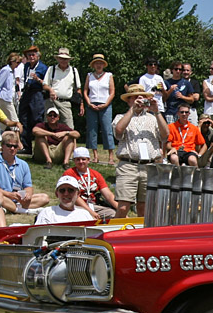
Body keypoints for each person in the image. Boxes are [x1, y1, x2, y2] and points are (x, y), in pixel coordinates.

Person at [113, 84, 167, 218]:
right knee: (124, 206)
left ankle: (142, 236)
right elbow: (118, 132)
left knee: (144, 208)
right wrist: (132, 110)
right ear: (129, 100)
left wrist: (157, 111)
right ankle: (116, 235)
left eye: (142, 97)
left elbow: (165, 135)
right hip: (128, 165)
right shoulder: (121, 116)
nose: (140, 100)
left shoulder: (153, 117)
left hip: (149, 166)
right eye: (136, 97)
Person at [0, 130, 50, 214]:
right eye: (9, 146)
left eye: (15, 146)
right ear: (2, 146)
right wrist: (9, 194)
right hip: (2, 196)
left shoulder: (23, 164)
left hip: (18, 199)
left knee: (45, 198)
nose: (12, 149)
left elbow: (28, 186)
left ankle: (10, 208)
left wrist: (28, 195)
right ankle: (22, 210)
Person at [64, 147, 119, 220]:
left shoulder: (95, 174)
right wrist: (91, 212)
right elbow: (74, 196)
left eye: (83, 159)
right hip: (75, 206)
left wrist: (121, 210)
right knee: (85, 217)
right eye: (78, 159)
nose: (81, 162)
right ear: (74, 161)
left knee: (114, 214)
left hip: (93, 205)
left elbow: (108, 195)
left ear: (88, 160)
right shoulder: (69, 174)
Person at [83, 54, 115, 164]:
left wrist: (106, 104)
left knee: (107, 129)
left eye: (100, 63)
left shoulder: (109, 75)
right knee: (92, 130)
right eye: (96, 63)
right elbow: (85, 91)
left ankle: (111, 156)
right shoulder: (89, 75)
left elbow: (112, 92)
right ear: (93, 65)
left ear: (103, 64)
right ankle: (95, 155)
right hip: (92, 105)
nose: (98, 65)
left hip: (105, 104)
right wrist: (88, 102)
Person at [43, 47, 83, 129]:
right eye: (61, 59)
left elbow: (78, 89)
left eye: (65, 59)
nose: (63, 61)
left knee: (69, 127)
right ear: (58, 59)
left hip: (66, 103)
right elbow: (44, 85)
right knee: (48, 126)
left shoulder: (74, 71)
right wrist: (50, 90)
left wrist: (81, 104)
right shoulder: (51, 69)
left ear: (69, 60)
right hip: (52, 101)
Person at [16, 45, 46, 152]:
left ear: (38, 56)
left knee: (36, 119)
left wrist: (37, 79)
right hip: (27, 92)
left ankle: (39, 147)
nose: (31, 57)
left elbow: (45, 83)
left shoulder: (43, 67)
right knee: (24, 118)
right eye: (29, 55)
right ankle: (26, 146)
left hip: (37, 93)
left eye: (33, 55)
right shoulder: (26, 66)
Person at [0, 52, 23, 124]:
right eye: (17, 62)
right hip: (5, 97)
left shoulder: (13, 71)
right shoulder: (6, 70)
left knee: (5, 120)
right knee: (15, 120)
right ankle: (17, 133)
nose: (18, 65)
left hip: (10, 97)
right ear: (12, 61)